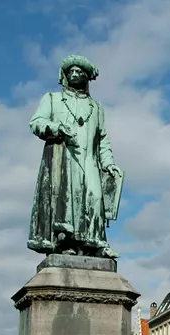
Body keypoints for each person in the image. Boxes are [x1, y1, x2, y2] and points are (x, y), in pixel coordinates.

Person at [27, 55, 124, 258]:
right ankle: (66, 243)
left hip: (90, 159)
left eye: (79, 71)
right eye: (70, 70)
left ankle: (95, 243)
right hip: (63, 157)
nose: (74, 73)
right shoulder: (52, 99)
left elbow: (102, 139)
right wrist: (54, 127)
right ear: (64, 75)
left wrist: (109, 163)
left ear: (87, 77)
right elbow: (36, 122)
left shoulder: (96, 108)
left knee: (95, 198)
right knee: (67, 201)